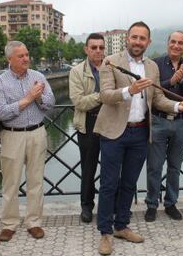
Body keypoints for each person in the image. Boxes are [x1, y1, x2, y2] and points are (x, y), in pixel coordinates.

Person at [93, 21, 183, 255]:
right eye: (134, 37)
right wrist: (130, 90)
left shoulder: (152, 67)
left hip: (140, 132)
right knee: (109, 184)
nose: (138, 42)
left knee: (129, 183)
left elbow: (157, 99)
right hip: (114, 132)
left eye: (142, 38)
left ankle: (121, 226)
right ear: (127, 39)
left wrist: (179, 106)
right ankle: (105, 232)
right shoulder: (111, 62)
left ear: (148, 42)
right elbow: (105, 95)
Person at [0, 41, 55, 242]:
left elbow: (50, 104)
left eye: (27, 54)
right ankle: (9, 224)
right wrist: (28, 99)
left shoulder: (39, 77)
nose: (26, 58)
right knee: (10, 182)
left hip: (37, 133)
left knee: (36, 181)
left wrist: (38, 99)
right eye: (21, 56)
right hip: (12, 135)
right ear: (9, 59)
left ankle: (34, 222)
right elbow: (1, 113)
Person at [144, 31, 183, 222]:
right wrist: (172, 81)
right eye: (173, 42)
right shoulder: (155, 64)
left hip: (181, 122)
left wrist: (182, 80)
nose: (176, 45)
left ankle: (171, 203)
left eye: (180, 43)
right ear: (168, 43)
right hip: (158, 120)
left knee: (175, 166)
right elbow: (152, 90)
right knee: (154, 166)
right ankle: (152, 204)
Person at [69, 33, 105, 223]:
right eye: (94, 47)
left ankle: (109, 205)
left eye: (101, 47)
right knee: (88, 168)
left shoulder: (111, 67)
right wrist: (102, 96)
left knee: (111, 168)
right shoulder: (76, 71)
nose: (98, 51)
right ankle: (86, 206)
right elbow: (79, 102)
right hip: (88, 123)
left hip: (110, 123)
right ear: (86, 49)